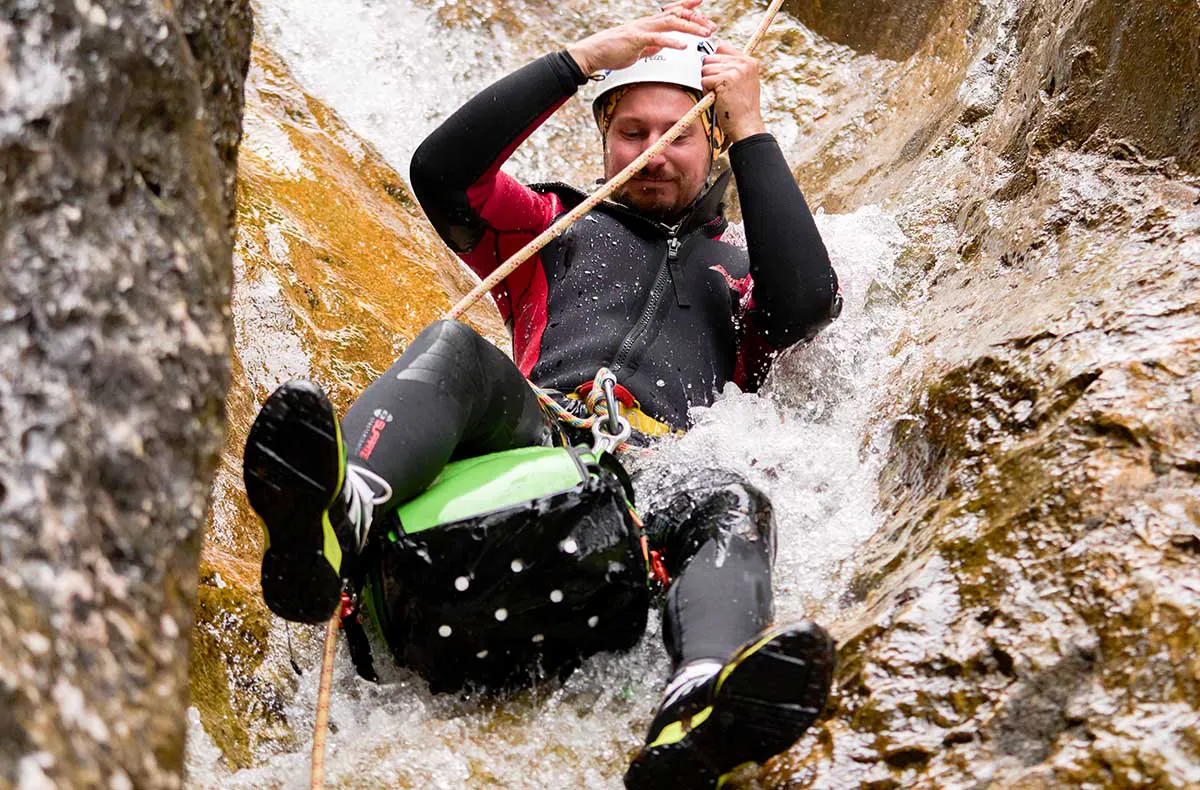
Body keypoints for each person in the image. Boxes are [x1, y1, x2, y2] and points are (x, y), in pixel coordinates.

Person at [241, 2, 842, 787]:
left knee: (735, 495)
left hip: (647, 486)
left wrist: (753, 123)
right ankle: (337, 518)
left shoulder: (742, 268)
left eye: (679, 133)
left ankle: (697, 700)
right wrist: (584, 58)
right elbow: (443, 176)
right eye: (632, 132)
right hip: (542, 436)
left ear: (714, 142)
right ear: (603, 140)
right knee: (455, 347)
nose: (653, 153)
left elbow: (807, 302)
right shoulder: (555, 225)